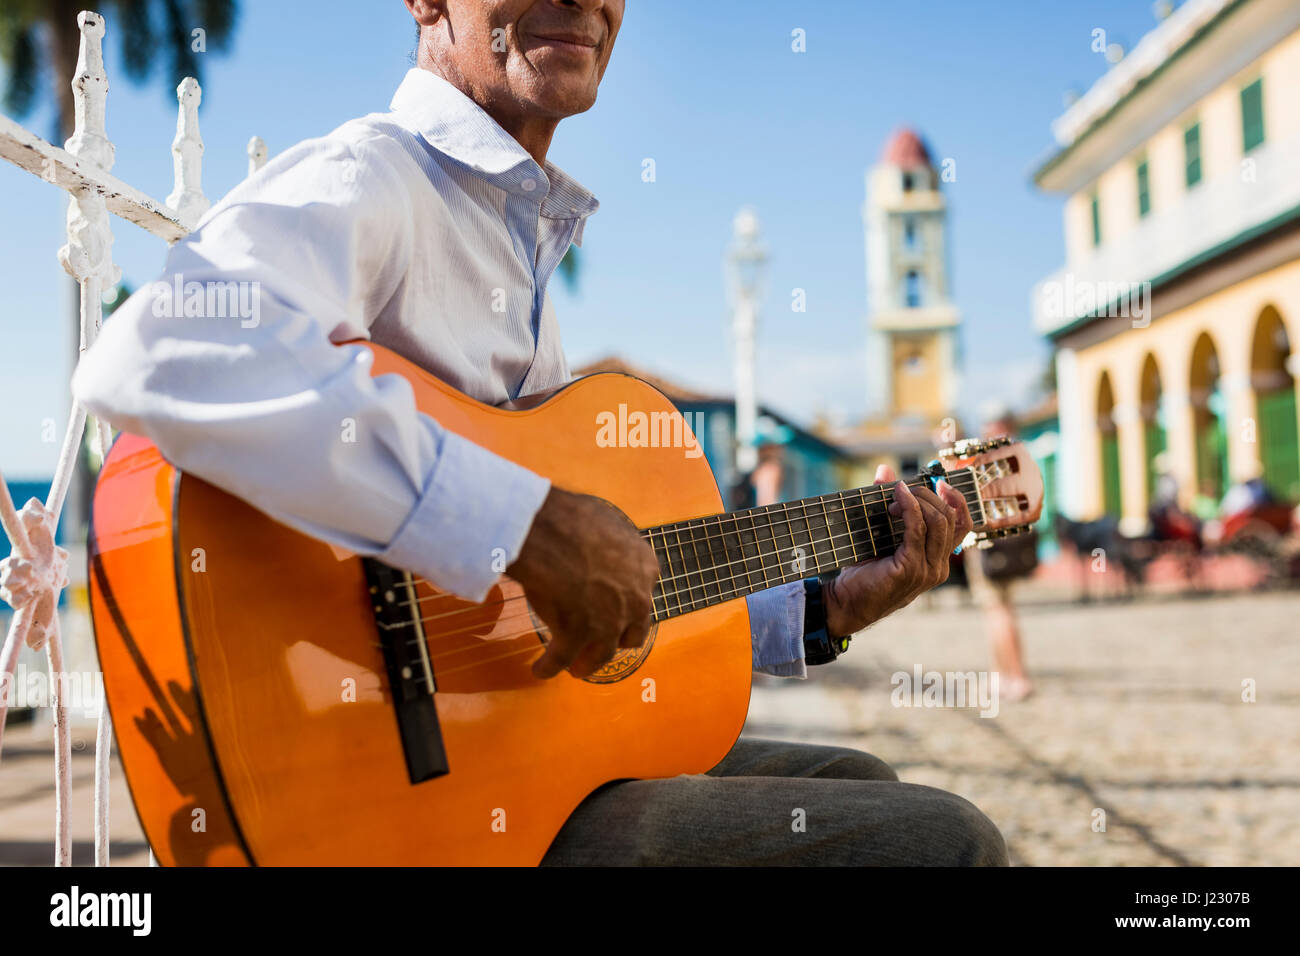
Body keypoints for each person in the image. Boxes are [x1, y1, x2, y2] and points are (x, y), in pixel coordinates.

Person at [73, 0, 1004, 866]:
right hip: (399, 802)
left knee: (858, 786)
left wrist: (820, 607)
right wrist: (525, 527)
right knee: (942, 841)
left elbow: (590, 597)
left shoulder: (515, 240)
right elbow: (167, 345)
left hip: (506, 760)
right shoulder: (377, 175)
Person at [967, 412, 1035, 702]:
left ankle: (1016, 677)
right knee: (1000, 610)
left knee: (998, 612)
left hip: (990, 547)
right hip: (1007, 546)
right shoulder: (1020, 459)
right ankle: (1001, 674)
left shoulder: (994, 462)